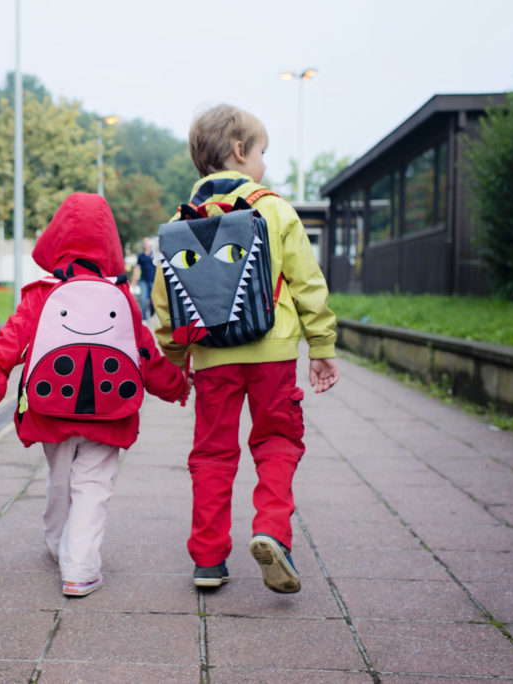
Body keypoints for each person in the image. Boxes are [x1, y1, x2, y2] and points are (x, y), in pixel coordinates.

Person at [152, 104, 339, 593]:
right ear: (240, 152)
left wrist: (176, 364)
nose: (263, 162)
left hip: (213, 355)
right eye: (262, 152)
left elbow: (166, 302)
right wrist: (321, 344)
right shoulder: (274, 208)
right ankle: (271, 530)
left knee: (212, 453)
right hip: (272, 351)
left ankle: (209, 560)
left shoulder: (179, 221)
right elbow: (307, 281)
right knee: (277, 440)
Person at [0, 193, 188, 597]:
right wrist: (177, 385)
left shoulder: (40, 293)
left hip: (50, 407)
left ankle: (58, 544)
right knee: (93, 484)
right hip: (110, 411)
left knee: (60, 479)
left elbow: (8, 343)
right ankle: (80, 568)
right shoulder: (122, 297)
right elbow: (144, 353)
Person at [135, 236, 157, 320]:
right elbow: (137, 267)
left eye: (147, 242)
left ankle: (152, 314)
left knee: (152, 300)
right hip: (143, 280)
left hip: (153, 280)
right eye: (144, 242)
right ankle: (144, 318)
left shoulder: (154, 254)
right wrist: (135, 278)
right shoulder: (141, 255)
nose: (146, 244)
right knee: (143, 299)